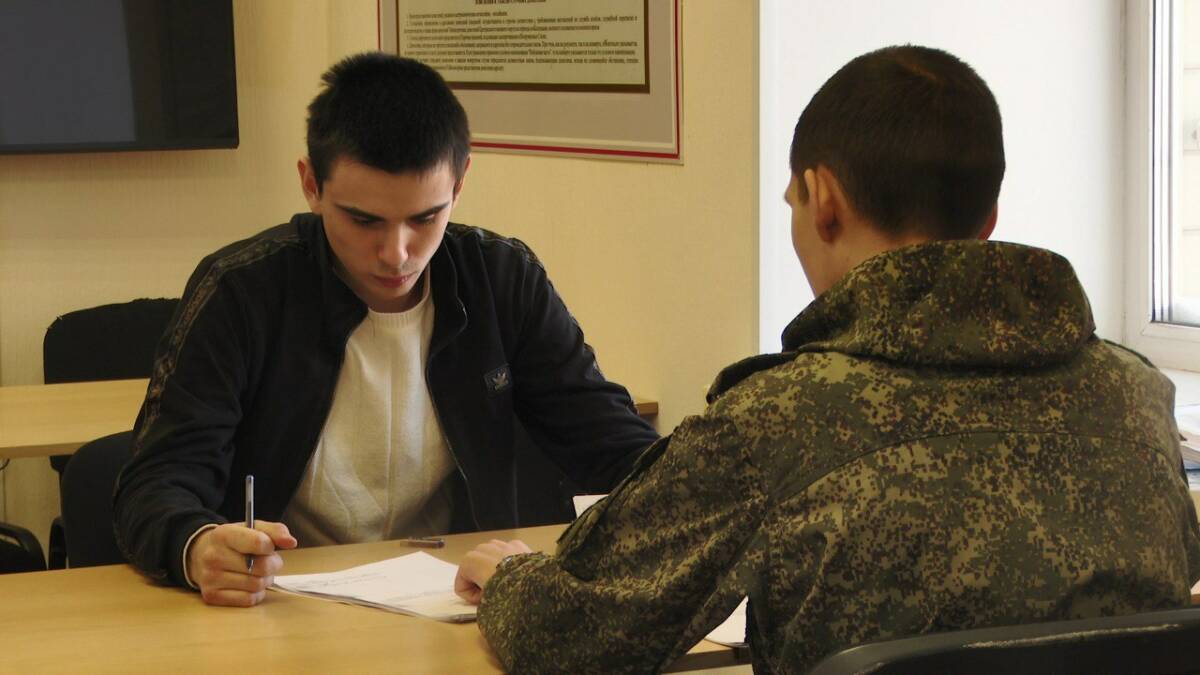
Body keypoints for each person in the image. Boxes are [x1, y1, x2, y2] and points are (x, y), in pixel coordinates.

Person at [454, 45, 1200, 673]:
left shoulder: (779, 417)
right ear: (989, 220)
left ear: (824, 199)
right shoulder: (1136, 395)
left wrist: (513, 578)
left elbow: (572, 637)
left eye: (793, 203)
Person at [113, 52, 658, 607]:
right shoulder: (242, 291)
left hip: (453, 598)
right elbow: (155, 482)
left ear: (459, 184)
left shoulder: (500, 279)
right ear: (311, 184)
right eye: (363, 220)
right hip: (278, 601)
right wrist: (196, 544)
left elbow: (611, 443)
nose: (397, 253)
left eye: (425, 218)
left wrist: (697, 486)